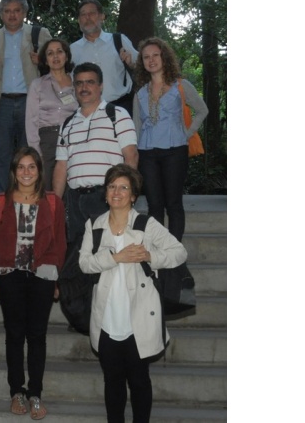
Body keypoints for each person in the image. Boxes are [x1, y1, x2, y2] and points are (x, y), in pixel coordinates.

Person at [78, 164, 187, 423]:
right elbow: (84, 264)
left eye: (123, 187)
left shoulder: (145, 224)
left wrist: (150, 256)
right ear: (106, 193)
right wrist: (115, 258)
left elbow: (179, 252)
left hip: (139, 316)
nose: (117, 192)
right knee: (112, 381)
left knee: (139, 381)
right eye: (112, 186)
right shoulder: (94, 225)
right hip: (106, 318)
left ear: (134, 195)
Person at [0, 148, 66, 420]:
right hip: (10, 275)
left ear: (40, 171)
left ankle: (35, 393)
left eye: (32, 167)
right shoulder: (0, 203)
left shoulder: (53, 202)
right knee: (15, 334)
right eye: (21, 167)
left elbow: (60, 244)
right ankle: (17, 391)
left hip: (43, 274)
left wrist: (57, 280)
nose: (26, 172)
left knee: (37, 335)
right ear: (14, 171)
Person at [0, 0, 52, 193]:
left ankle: (30, 195)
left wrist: (42, 61)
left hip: (30, 101)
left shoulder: (39, 34)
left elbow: (59, 59)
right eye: (7, 11)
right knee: (1, 153)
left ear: (24, 12)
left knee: (30, 153)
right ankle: (2, 197)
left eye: (16, 10)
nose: (12, 15)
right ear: (1, 14)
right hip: (1, 102)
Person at [53, 62, 138, 255]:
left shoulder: (117, 115)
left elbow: (131, 156)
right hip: (75, 200)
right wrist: (56, 204)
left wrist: (126, 195)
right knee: (78, 254)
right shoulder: (67, 123)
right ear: (74, 88)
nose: (84, 87)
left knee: (109, 252)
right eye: (79, 83)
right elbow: (61, 166)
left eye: (90, 82)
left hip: (106, 197)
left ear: (101, 86)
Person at [132, 37, 208, 242]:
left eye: (155, 55)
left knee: (173, 203)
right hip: (147, 153)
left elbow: (202, 110)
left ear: (164, 57)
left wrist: (186, 133)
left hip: (175, 151)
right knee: (154, 204)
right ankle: (157, 250)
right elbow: (136, 126)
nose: (151, 60)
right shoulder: (140, 93)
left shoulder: (181, 86)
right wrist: (134, 156)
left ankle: (174, 251)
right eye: (146, 57)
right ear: (142, 62)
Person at [25, 38, 78, 191]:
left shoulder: (77, 82)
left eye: (59, 52)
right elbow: (31, 120)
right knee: (46, 189)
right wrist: (36, 152)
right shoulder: (37, 84)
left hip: (73, 140)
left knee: (72, 187)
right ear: (45, 60)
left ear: (66, 56)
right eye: (50, 53)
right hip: (47, 141)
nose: (55, 56)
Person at [69, 0, 138, 115]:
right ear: (79, 20)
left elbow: (143, 65)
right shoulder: (72, 50)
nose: (87, 17)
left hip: (121, 108)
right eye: (83, 14)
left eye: (92, 13)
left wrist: (131, 64)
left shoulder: (119, 40)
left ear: (102, 16)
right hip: (88, 111)